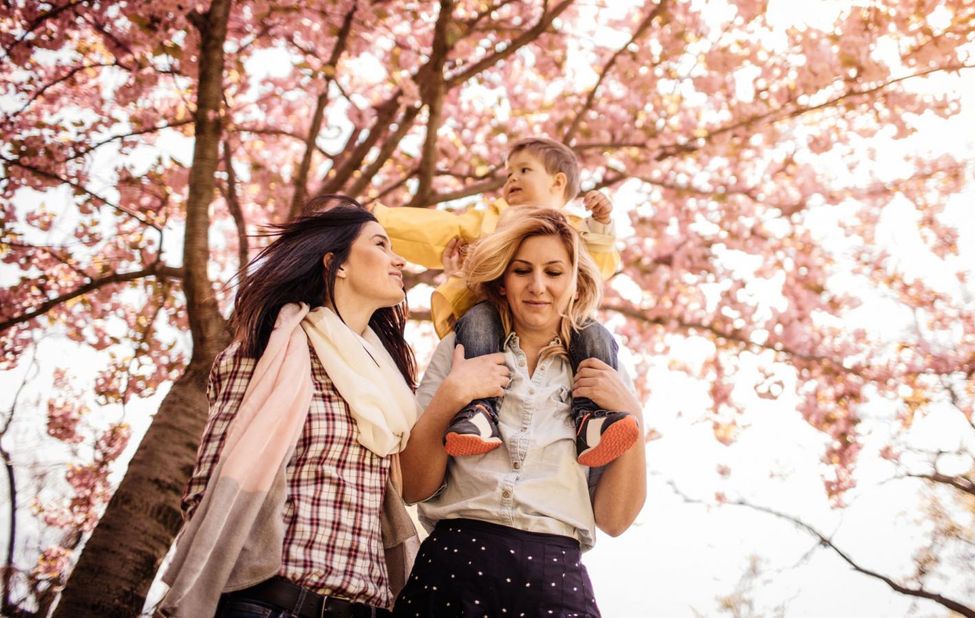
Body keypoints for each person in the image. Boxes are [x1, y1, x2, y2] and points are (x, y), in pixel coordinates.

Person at [158, 196, 445, 618]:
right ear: (337, 264)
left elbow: (413, 488)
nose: (398, 259)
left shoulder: (388, 383)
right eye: (381, 244)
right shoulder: (272, 352)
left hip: (368, 604)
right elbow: (211, 485)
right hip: (272, 602)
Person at [394, 209, 648, 617]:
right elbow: (413, 487)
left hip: (555, 577)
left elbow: (616, 520)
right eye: (522, 271)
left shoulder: (603, 368)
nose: (537, 286)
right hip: (454, 565)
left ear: (575, 281)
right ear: (502, 279)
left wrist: (632, 415)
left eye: (553, 272)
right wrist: (450, 398)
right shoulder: (462, 348)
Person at [375, 137, 639, 467]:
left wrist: (601, 223)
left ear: (557, 182)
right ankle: (479, 413)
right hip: (492, 312)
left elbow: (600, 263)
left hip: (561, 323)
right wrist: (380, 222)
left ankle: (594, 419)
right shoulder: (494, 219)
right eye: (508, 172)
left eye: (524, 170)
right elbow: (441, 229)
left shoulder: (574, 231)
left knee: (596, 334)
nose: (511, 178)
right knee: (476, 323)